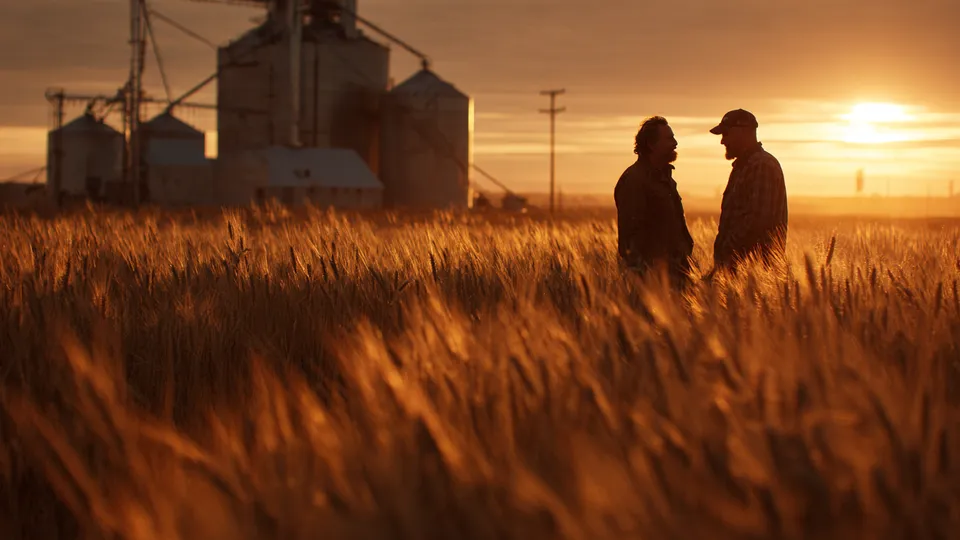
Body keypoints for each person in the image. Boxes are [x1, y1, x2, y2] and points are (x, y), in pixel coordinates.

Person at [614, 116, 694, 288]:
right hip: (655, 280)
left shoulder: (665, 178)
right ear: (651, 144)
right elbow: (631, 237)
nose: (675, 143)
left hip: (677, 274)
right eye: (669, 138)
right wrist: (645, 279)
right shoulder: (635, 181)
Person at [706, 109, 788, 275]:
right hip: (740, 273)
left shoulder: (761, 166)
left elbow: (757, 221)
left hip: (752, 274)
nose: (722, 141)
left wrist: (727, 261)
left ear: (742, 132)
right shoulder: (745, 166)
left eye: (726, 134)